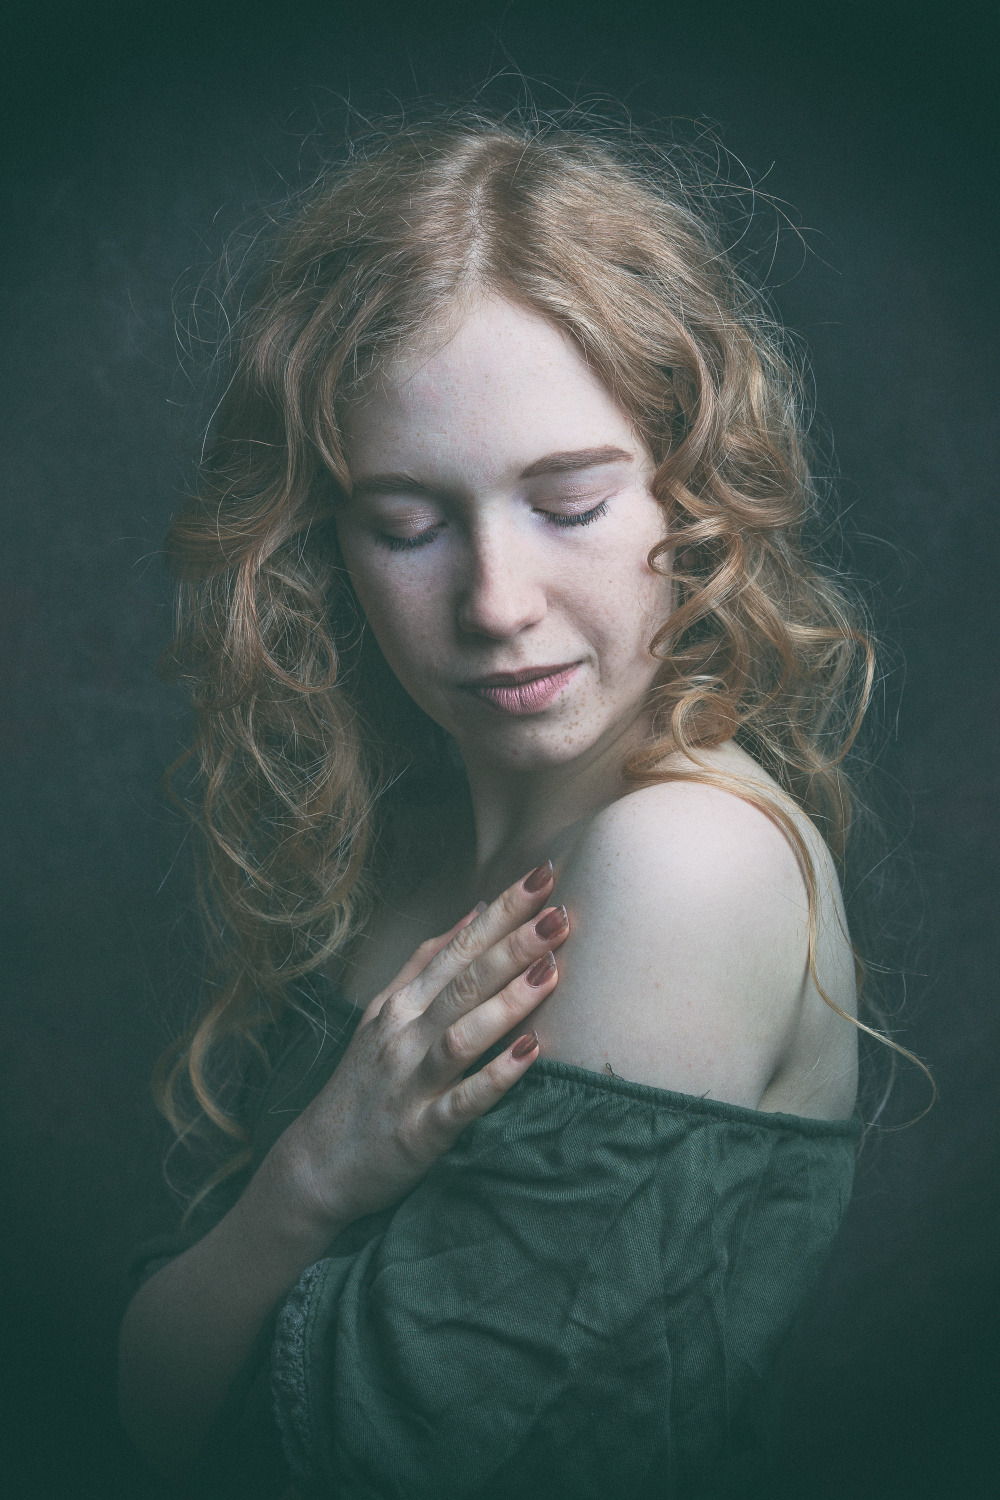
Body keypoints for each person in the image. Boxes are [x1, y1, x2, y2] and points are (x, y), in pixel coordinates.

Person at [118, 110, 884, 1498]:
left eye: (569, 505)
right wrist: (308, 1177)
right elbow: (134, 1411)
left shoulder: (684, 859)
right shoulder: (409, 829)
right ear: (329, 543)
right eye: (407, 525)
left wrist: (244, 1263)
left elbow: (368, 1456)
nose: (494, 603)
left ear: (688, 489)